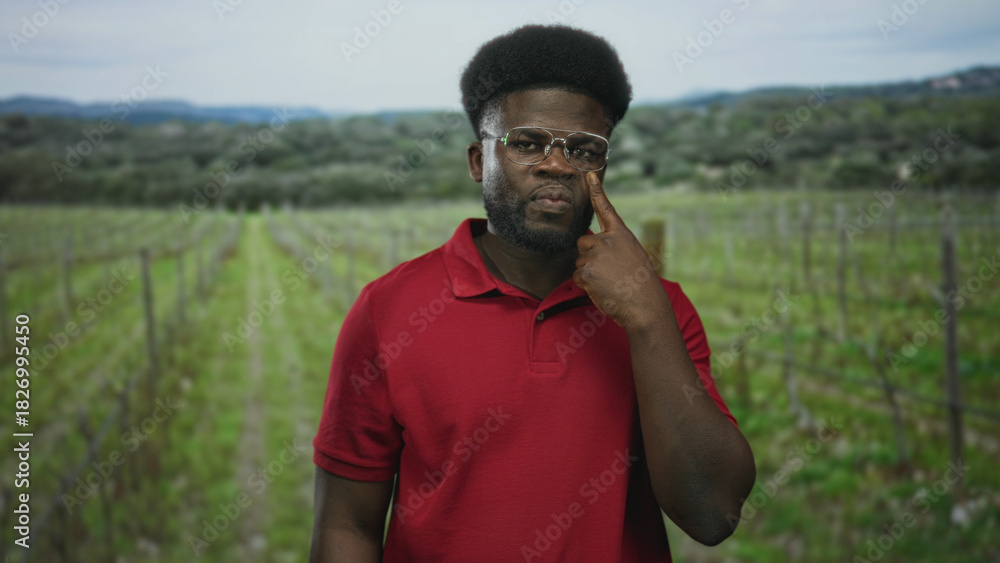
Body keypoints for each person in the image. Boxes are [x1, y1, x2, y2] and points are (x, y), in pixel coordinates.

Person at [309, 24, 755, 562]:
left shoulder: (661, 310)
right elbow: (346, 527)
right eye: (526, 143)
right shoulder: (388, 310)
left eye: (584, 150)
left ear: (602, 166)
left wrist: (644, 316)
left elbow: (712, 514)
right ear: (479, 162)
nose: (557, 165)